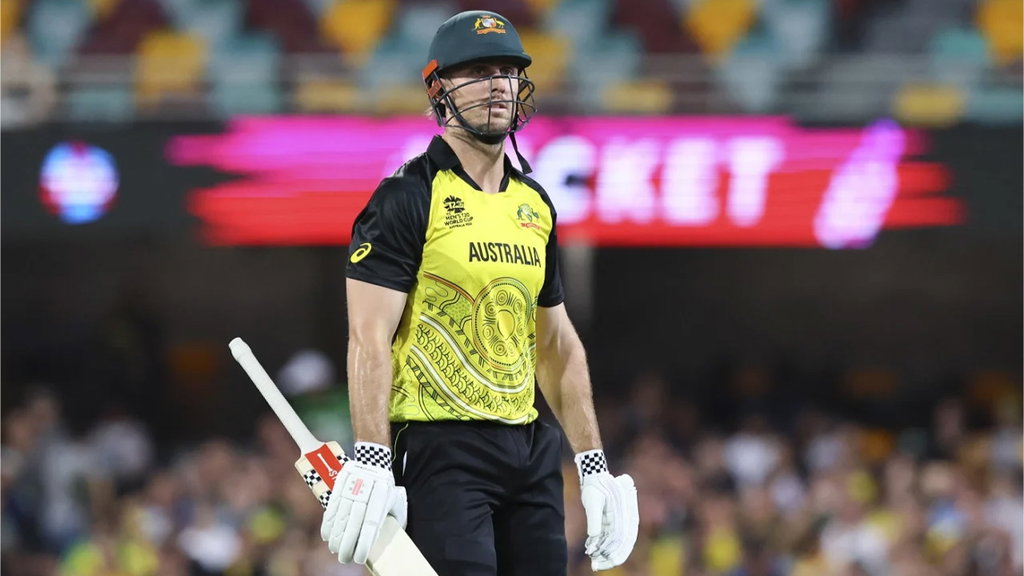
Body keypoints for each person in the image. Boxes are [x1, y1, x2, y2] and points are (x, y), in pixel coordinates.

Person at [319, 10, 639, 576]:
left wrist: (592, 463)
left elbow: (556, 343)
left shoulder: (535, 205)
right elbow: (368, 337)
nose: (497, 84)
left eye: (508, 71)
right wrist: (372, 456)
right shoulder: (405, 197)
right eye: (478, 71)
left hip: (530, 449)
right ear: (440, 90)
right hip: (441, 451)